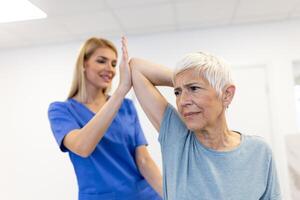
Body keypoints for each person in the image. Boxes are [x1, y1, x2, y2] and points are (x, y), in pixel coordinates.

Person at [125, 39, 282, 199]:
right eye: (177, 92)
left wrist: (210, 81)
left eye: (194, 89)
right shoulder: (177, 138)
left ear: (227, 94)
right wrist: (183, 79)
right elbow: (137, 68)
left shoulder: (259, 152)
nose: (183, 101)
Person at [48, 37, 162, 200]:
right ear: (83, 64)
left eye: (114, 64)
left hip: (143, 195)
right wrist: (121, 90)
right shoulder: (61, 110)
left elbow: (143, 159)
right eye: (102, 61)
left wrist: (172, 194)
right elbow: (83, 147)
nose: (110, 69)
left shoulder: (126, 106)